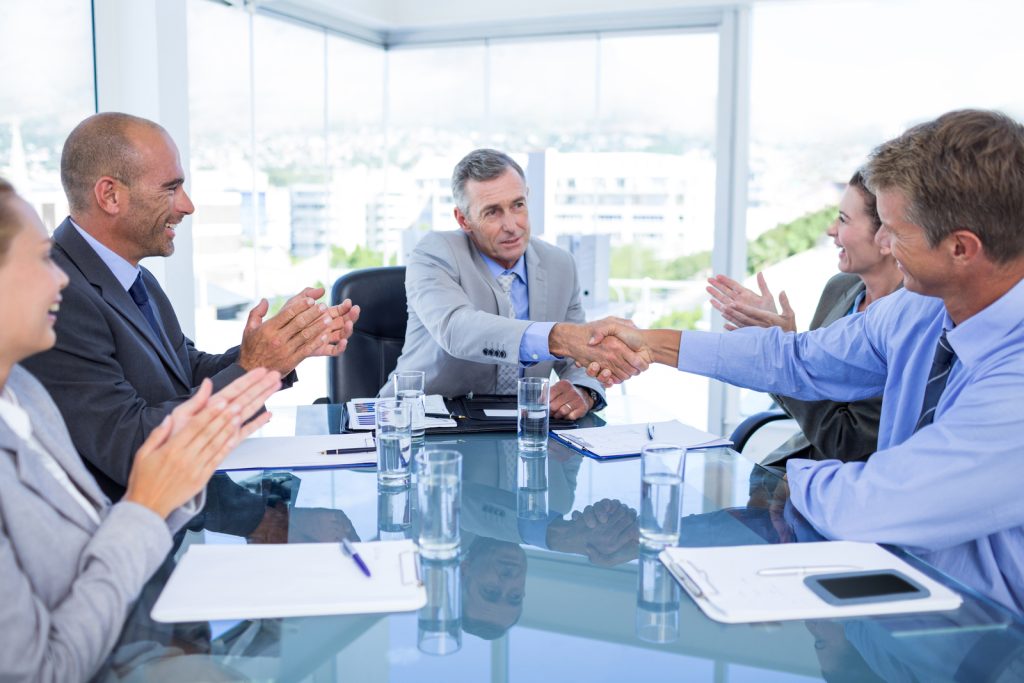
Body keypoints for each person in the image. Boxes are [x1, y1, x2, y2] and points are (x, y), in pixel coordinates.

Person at [580, 110, 1024, 612]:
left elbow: (884, 503)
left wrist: (799, 479)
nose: (880, 242)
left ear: (962, 248)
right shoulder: (921, 307)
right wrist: (651, 343)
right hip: (887, 596)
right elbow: (802, 358)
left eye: (896, 231)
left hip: (987, 636)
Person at [0, 177, 282, 681]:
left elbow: (182, 369)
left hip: (141, 612)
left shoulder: (23, 394)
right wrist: (149, 508)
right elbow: (40, 671)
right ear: (108, 194)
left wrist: (268, 360)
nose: (58, 278)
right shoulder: (62, 326)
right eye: (41, 258)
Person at [21, 112, 360, 499]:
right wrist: (256, 368)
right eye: (171, 188)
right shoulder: (57, 297)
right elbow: (130, 446)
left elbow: (186, 372)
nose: (187, 205)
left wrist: (282, 349)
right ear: (110, 195)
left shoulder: (133, 275)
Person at [382, 148, 646, 420]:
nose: (512, 225)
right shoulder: (434, 252)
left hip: (520, 425)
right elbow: (456, 328)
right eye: (492, 212)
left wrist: (583, 389)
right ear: (463, 220)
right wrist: (558, 337)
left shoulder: (560, 264)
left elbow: (578, 357)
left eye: (517, 205)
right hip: (422, 421)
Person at [705, 170, 903, 463]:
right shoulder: (841, 289)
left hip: (848, 479)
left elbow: (847, 440)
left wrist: (786, 352)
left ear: (885, 233)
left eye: (844, 220)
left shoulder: (908, 318)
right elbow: (807, 408)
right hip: (794, 465)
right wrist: (781, 349)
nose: (831, 231)